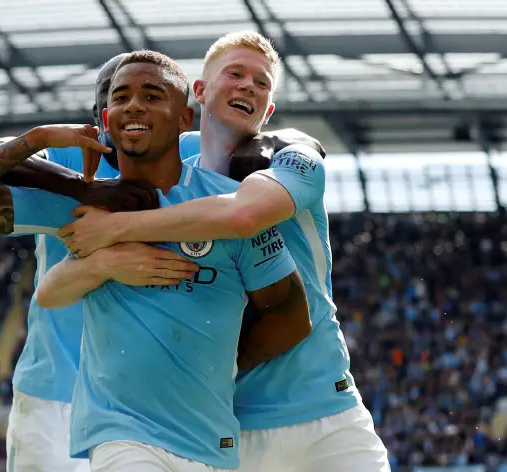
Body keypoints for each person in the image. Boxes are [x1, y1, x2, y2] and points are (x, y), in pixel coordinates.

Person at [0, 50, 311, 472]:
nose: (132, 106)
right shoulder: (76, 164)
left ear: (182, 117)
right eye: (114, 95)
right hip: (57, 393)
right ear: (99, 114)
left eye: (150, 94)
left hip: (175, 409)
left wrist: (293, 143)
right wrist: (83, 190)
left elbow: (276, 144)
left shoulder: (190, 158)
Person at [54, 32, 391, 472]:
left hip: (329, 413)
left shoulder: (291, 160)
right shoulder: (169, 184)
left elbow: (242, 215)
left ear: (268, 111)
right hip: (231, 430)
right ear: (197, 93)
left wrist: (115, 227)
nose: (248, 85)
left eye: (261, 83)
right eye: (235, 73)